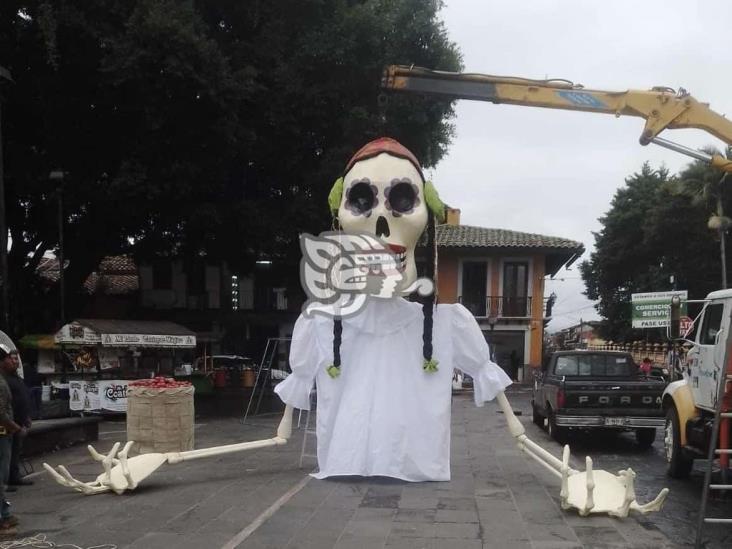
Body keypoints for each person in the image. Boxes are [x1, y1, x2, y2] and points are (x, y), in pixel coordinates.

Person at [0, 345, 23, 532]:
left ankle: (5, 513)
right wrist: (13, 427)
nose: (12, 361)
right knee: (1, 476)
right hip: (2, 434)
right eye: (8, 358)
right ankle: (2, 517)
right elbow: (1, 412)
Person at [2, 350, 32, 489]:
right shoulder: (4, 379)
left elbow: (22, 398)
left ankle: (14, 477)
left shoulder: (17, 377)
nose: (16, 362)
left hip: (19, 421)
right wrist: (12, 425)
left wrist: (26, 418)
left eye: (17, 359)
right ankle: (4, 483)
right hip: (7, 423)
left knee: (14, 452)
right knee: (4, 454)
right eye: (12, 359)